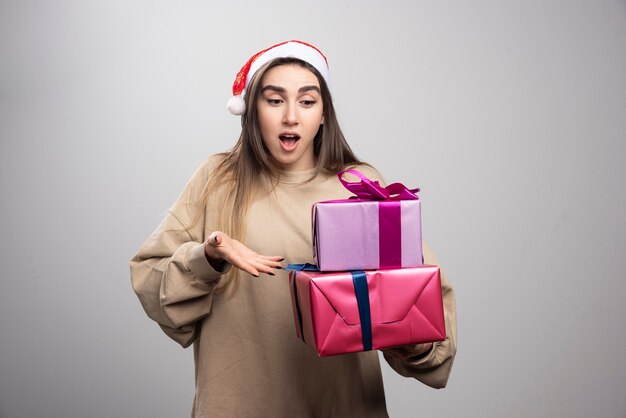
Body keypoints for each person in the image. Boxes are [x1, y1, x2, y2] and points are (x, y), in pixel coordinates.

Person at [130, 40, 457, 418]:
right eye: (274, 100)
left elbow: (427, 309)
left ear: (323, 114)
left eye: (307, 101)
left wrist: (400, 330)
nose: (291, 117)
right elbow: (150, 282)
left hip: (342, 406)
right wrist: (208, 257)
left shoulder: (360, 187)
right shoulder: (217, 180)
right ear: (252, 111)